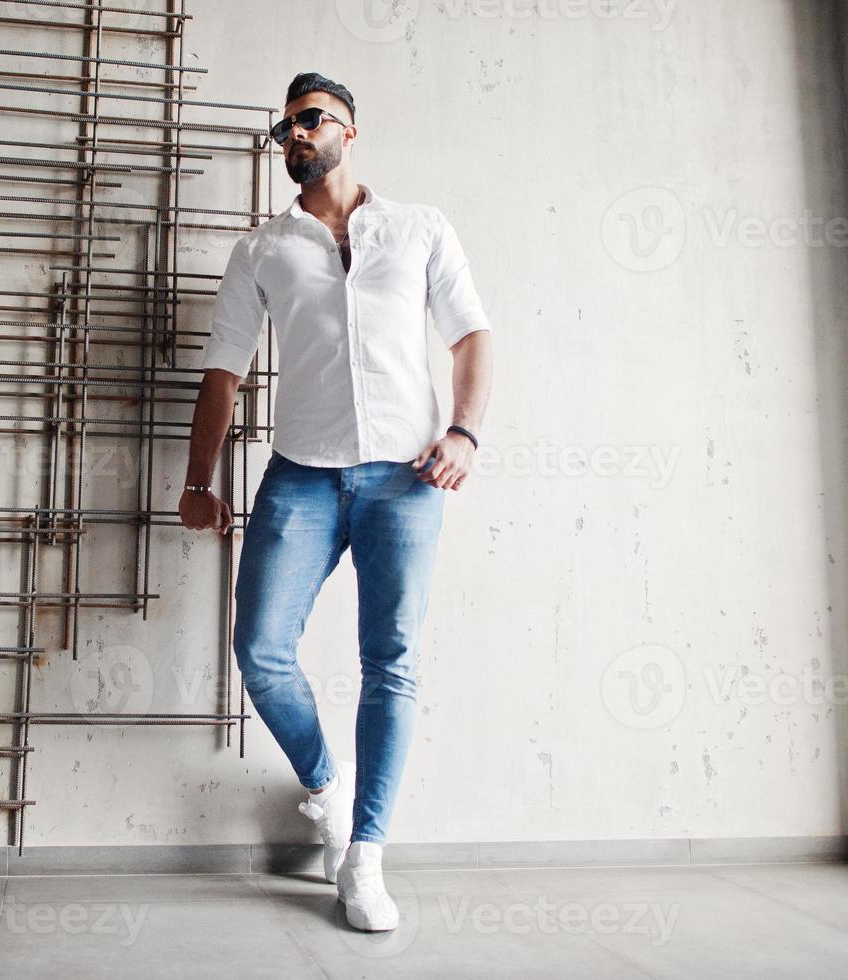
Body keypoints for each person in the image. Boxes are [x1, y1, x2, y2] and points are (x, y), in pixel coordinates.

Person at [178, 71, 494, 932]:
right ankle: (326, 782)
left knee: (390, 659)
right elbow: (223, 371)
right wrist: (199, 478)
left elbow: (470, 335)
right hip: (301, 475)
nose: (294, 136)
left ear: (349, 130)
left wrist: (463, 433)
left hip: (405, 477)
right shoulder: (261, 248)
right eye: (283, 128)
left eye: (309, 121)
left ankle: (367, 856)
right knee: (260, 649)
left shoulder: (419, 227)